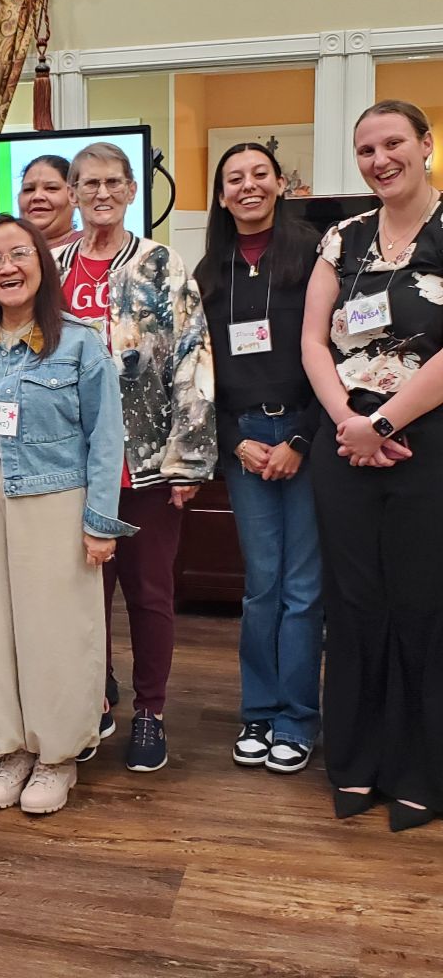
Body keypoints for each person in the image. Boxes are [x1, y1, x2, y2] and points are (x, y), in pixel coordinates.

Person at [0, 214, 134, 814]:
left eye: (19, 254)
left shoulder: (80, 343)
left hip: (55, 505)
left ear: (42, 264)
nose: (7, 267)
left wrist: (100, 523)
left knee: (55, 634)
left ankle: (57, 755)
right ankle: (11, 749)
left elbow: (106, 439)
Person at [302, 99, 443, 831]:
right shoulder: (343, 238)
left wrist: (384, 422)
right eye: (366, 150)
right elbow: (313, 341)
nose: (380, 160)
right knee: (355, 605)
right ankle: (356, 762)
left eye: (393, 143)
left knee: (423, 605)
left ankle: (422, 771)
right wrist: (349, 423)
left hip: (428, 442)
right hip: (346, 444)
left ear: (425, 145)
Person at [53, 142, 215, 772]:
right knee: (81, 596)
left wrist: (188, 458)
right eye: (88, 183)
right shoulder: (52, 265)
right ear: (72, 192)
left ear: (129, 190)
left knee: (149, 594)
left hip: (144, 465)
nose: (101, 193)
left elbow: (192, 356)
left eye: (112, 183)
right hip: (67, 466)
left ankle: (150, 711)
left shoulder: (160, 263)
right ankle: (92, 697)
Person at [195, 143, 322, 773]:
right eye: (234, 179)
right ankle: (259, 712)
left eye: (259, 175)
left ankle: (297, 720)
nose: (248, 186)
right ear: (221, 196)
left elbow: (336, 354)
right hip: (243, 439)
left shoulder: (316, 255)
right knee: (262, 585)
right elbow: (196, 372)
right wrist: (233, 442)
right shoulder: (207, 273)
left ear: (279, 184)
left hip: (306, 436)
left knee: (304, 589)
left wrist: (301, 441)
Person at [18, 154, 81, 248]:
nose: (37, 196)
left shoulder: (91, 248)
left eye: (51, 188)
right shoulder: (2, 251)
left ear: (73, 196)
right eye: (29, 189)